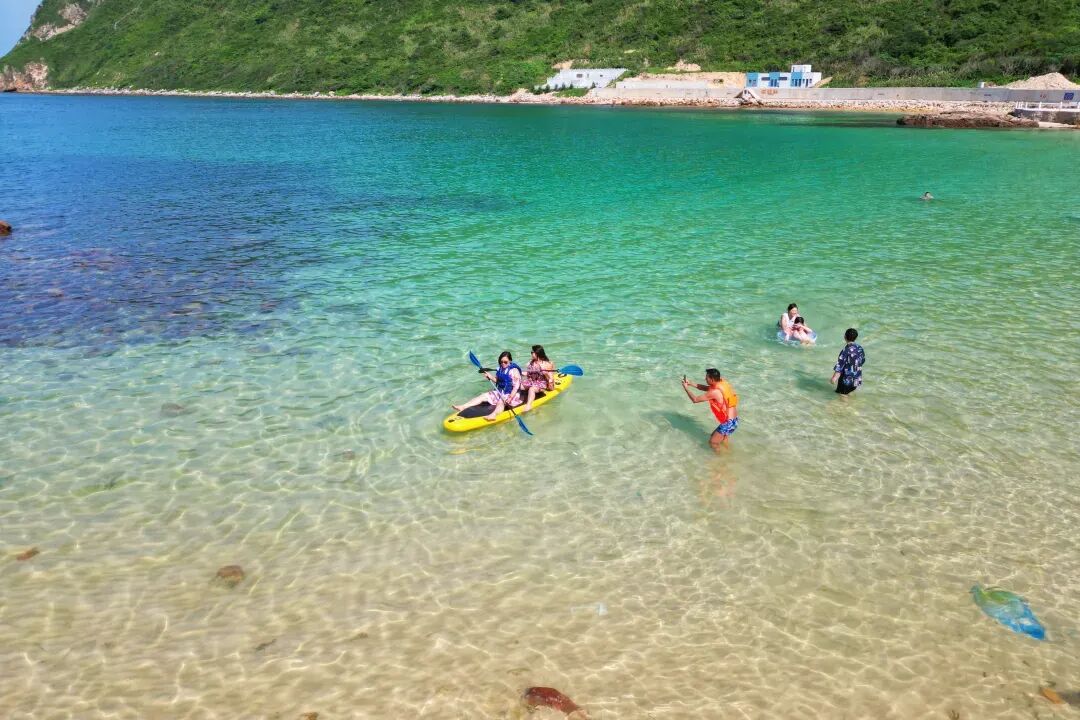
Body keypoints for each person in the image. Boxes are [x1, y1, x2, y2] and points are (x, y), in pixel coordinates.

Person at [452, 351, 523, 421]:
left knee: (501, 402)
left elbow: (516, 387)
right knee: (483, 395)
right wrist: (489, 376)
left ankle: (493, 415)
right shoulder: (500, 369)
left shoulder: (514, 371)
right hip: (500, 392)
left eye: (505, 362)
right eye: (501, 362)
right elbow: (497, 381)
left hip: (512, 394)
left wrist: (510, 398)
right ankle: (463, 406)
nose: (503, 364)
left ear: (510, 361)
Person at [681, 369, 739, 450]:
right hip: (734, 420)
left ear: (712, 379)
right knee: (721, 438)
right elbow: (706, 388)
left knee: (713, 442)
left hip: (728, 423)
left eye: (707, 377)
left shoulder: (714, 392)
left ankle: (722, 457)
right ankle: (728, 452)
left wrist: (686, 388)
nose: (705, 379)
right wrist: (690, 383)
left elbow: (695, 399)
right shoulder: (721, 383)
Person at [831, 328, 866, 395]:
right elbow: (862, 360)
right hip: (856, 378)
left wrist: (834, 378)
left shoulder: (845, 351)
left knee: (842, 395)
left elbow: (839, 366)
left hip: (846, 380)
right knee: (845, 393)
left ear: (845, 337)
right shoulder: (859, 348)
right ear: (856, 337)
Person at [521, 344, 555, 411]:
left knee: (532, 389)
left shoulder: (546, 364)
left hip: (541, 384)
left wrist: (546, 374)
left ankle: (528, 405)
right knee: (517, 385)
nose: (531, 354)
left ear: (537, 353)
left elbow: (551, 380)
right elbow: (528, 373)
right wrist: (519, 373)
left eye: (532, 352)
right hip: (531, 381)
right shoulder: (530, 363)